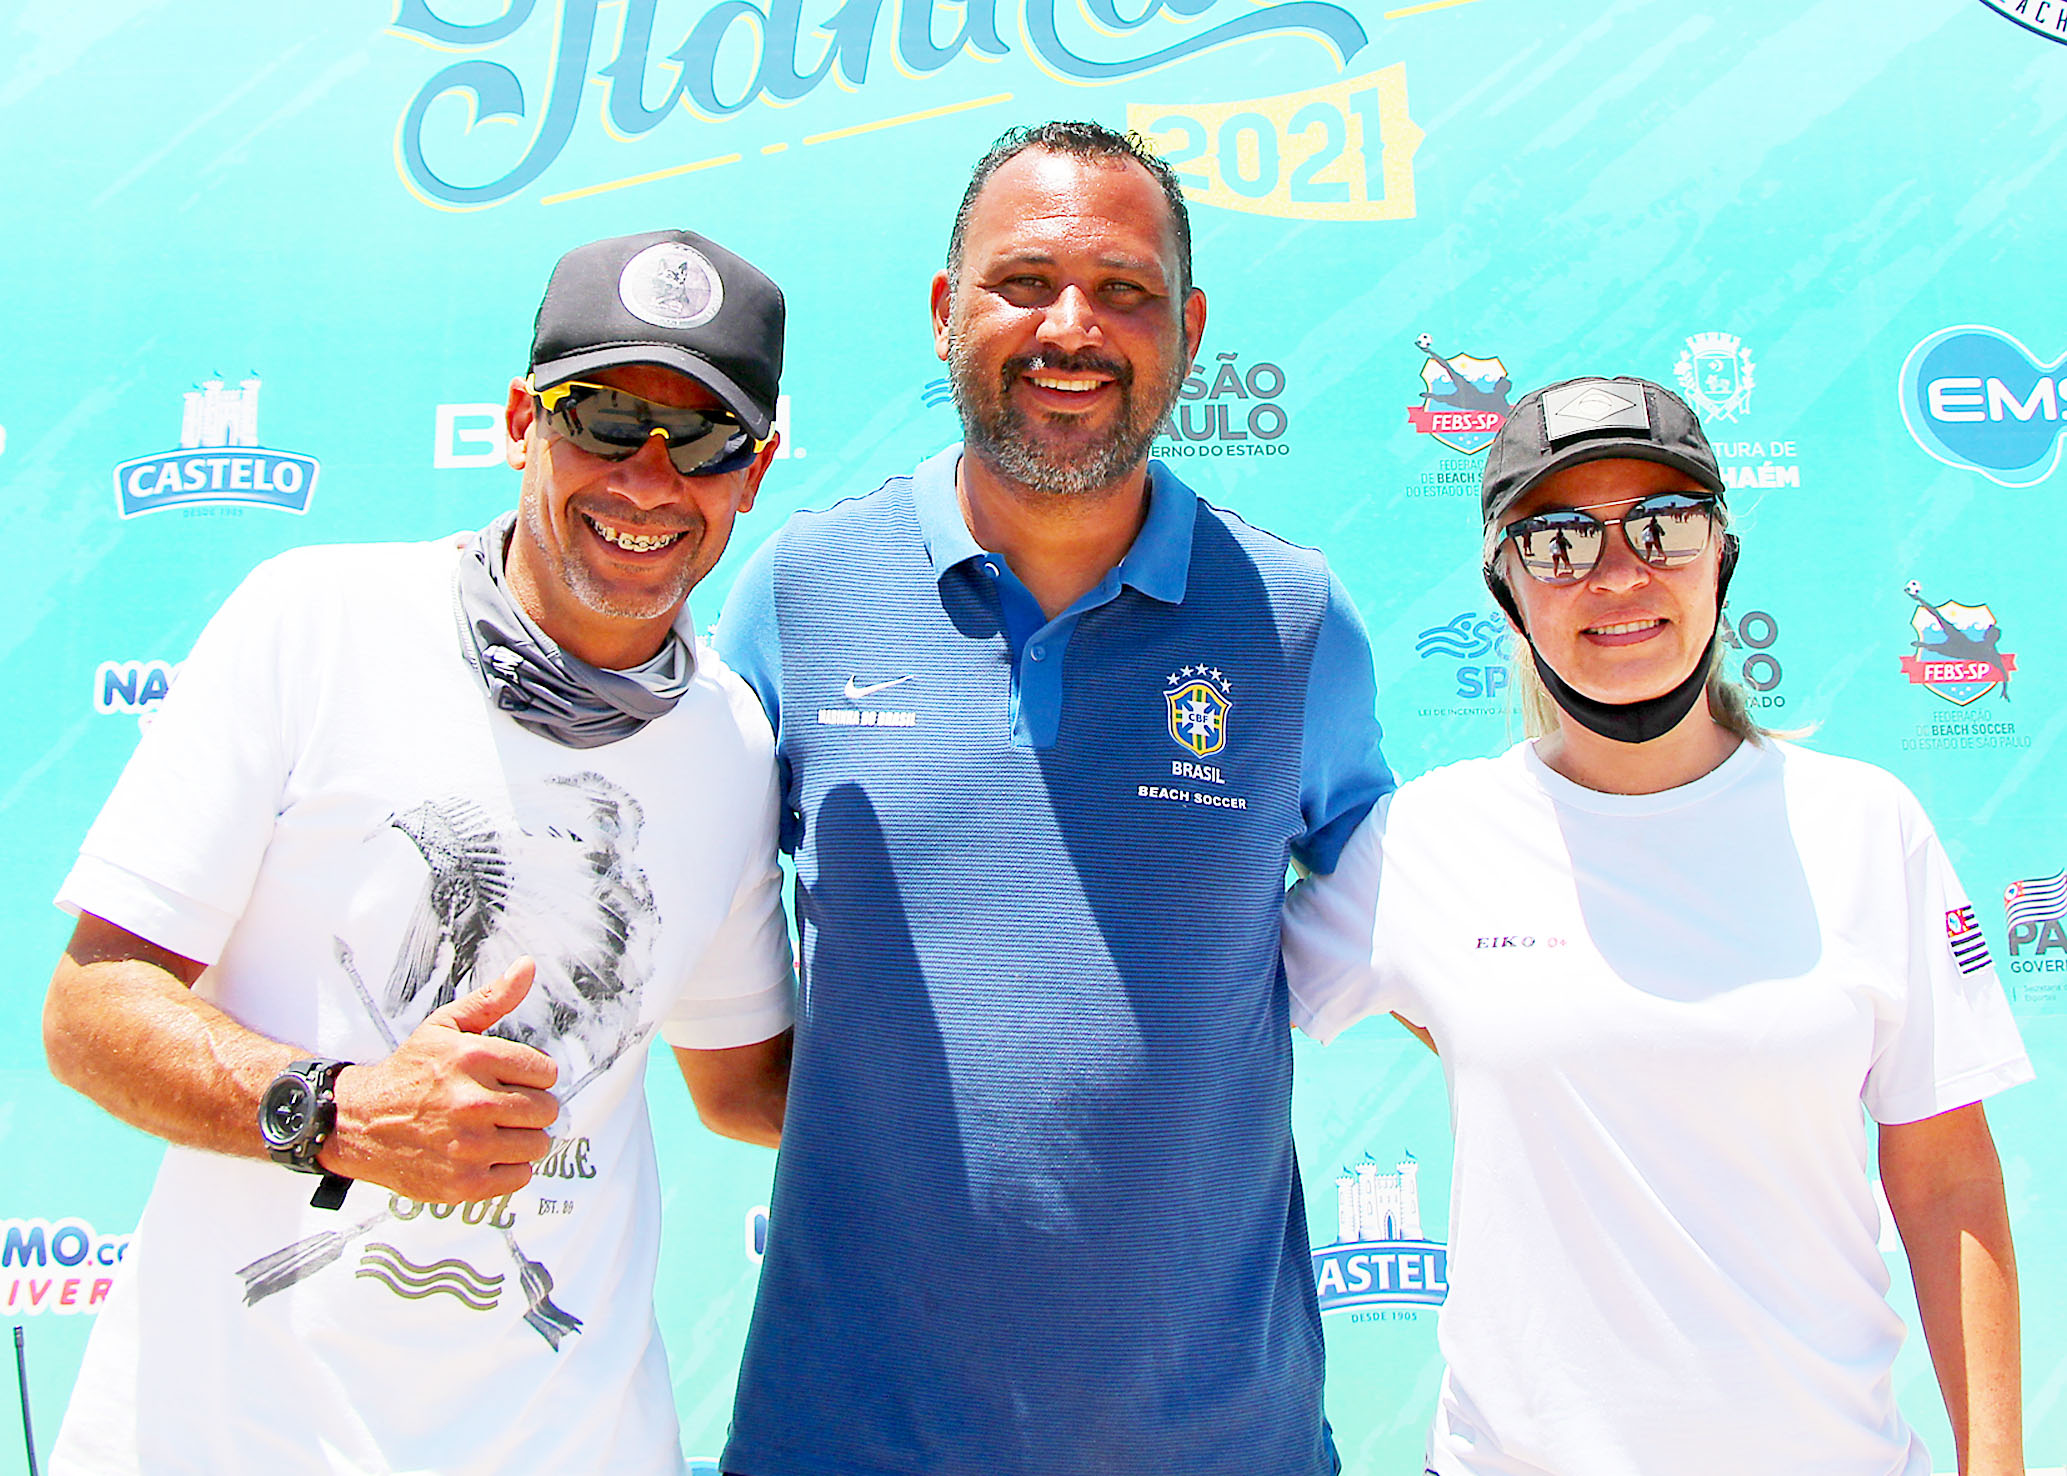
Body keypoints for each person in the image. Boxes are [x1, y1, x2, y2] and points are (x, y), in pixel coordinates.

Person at [41, 229, 797, 1476]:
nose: (649, 478)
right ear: (521, 423)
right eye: (606, 419)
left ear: (753, 474)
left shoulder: (730, 741)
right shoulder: (316, 622)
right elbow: (91, 1008)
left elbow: (746, 1087)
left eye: (704, 438)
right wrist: (337, 1112)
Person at [711, 121, 1393, 1476]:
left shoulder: (1295, 622)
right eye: (1023, 282)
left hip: (1217, 1449)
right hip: (844, 1443)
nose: (1071, 327)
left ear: (1189, 328)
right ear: (944, 309)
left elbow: (1444, 948)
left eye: (1124, 290)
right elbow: (724, 1053)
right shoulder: (798, 593)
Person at [1282, 376, 2031, 1476]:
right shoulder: (1429, 842)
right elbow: (1201, 991)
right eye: (1558, 541)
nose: (1618, 573)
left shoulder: (1866, 825)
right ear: (1506, 588)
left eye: (1663, 525)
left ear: (1720, 556)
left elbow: (1948, 1178)